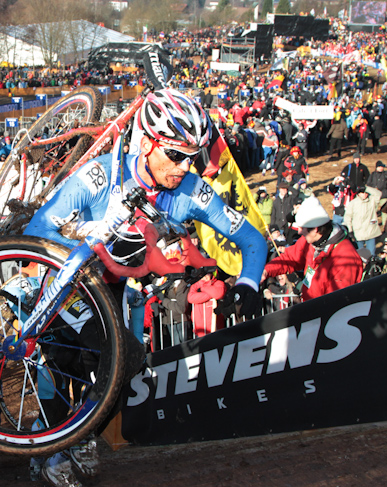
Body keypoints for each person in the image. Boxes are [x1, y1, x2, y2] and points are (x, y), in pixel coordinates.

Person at [23, 88, 267, 487]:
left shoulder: (191, 191)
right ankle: (51, 445)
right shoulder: (103, 174)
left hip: (114, 293)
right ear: (149, 143)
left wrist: (248, 282)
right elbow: (37, 232)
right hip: (68, 287)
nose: (183, 167)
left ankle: (72, 433)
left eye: (193, 157)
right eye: (175, 155)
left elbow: (253, 240)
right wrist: (96, 245)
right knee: (80, 364)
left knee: (124, 368)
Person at [263, 196, 362, 302]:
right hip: (309, 306)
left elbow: (336, 302)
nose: (299, 231)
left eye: (302, 228)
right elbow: (290, 258)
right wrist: (265, 271)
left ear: (315, 229)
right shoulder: (309, 240)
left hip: (322, 313)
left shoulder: (345, 258)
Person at [344, 186, 382, 255]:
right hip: (358, 233)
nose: (364, 194)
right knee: (358, 254)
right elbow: (347, 217)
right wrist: (350, 230)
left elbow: (378, 194)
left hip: (370, 232)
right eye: (362, 193)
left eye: (366, 193)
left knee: (371, 254)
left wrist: (367, 188)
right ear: (358, 194)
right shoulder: (353, 203)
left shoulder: (372, 201)